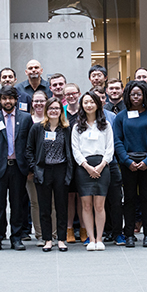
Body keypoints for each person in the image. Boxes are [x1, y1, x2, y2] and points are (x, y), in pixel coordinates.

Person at [0, 85, 33, 252]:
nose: (7, 101)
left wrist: (30, 167)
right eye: (4, 98)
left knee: (17, 205)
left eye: (10, 98)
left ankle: (16, 238)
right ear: (0, 100)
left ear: (16, 100)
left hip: (19, 168)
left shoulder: (25, 118)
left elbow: (29, 145)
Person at [113, 80, 147, 248]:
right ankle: (129, 235)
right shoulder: (121, 116)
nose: (135, 97)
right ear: (127, 95)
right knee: (129, 199)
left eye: (139, 94)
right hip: (128, 164)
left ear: (144, 96)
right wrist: (127, 161)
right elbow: (117, 141)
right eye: (133, 94)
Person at [26, 97, 73, 252]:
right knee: (44, 207)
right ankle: (47, 239)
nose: (54, 111)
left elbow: (70, 151)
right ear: (46, 110)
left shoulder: (66, 128)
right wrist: (34, 167)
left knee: (61, 206)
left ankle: (61, 239)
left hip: (61, 170)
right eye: (51, 108)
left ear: (61, 111)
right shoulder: (38, 128)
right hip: (43, 170)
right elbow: (29, 150)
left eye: (57, 108)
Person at [72, 92, 114, 251]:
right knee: (86, 205)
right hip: (84, 168)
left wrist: (101, 165)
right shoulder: (77, 126)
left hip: (102, 166)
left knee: (99, 205)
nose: (88, 105)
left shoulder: (106, 125)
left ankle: (99, 238)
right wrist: (87, 166)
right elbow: (75, 150)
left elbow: (110, 148)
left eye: (91, 102)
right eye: (85, 102)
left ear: (97, 104)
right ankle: (90, 239)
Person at [90, 86, 124, 245]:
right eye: (96, 98)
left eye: (102, 98)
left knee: (115, 199)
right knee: (95, 201)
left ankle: (118, 232)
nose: (100, 101)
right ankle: (102, 232)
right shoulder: (85, 120)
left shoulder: (112, 117)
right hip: (91, 167)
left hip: (111, 163)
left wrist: (106, 161)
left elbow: (115, 141)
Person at [28, 90, 57, 246]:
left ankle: (52, 234)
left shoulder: (54, 120)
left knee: (52, 202)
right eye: (36, 101)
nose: (39, 104)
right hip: (34, 169)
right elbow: (26, 147)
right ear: (32, 103)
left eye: (42, 101)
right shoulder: (27, 120)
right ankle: (40, 235)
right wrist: (31, 168)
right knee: (36, 202)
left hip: (53, 169)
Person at [64, 83, 87, 243]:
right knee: (70, 197)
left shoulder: (84, 112)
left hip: (83, 159)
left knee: (82, 196)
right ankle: (69, 229)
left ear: (78, 93)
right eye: (68, 94)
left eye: (74, 93)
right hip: (67, 160)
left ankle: (84, 228)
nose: (71, 96)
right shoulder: (62, 112)